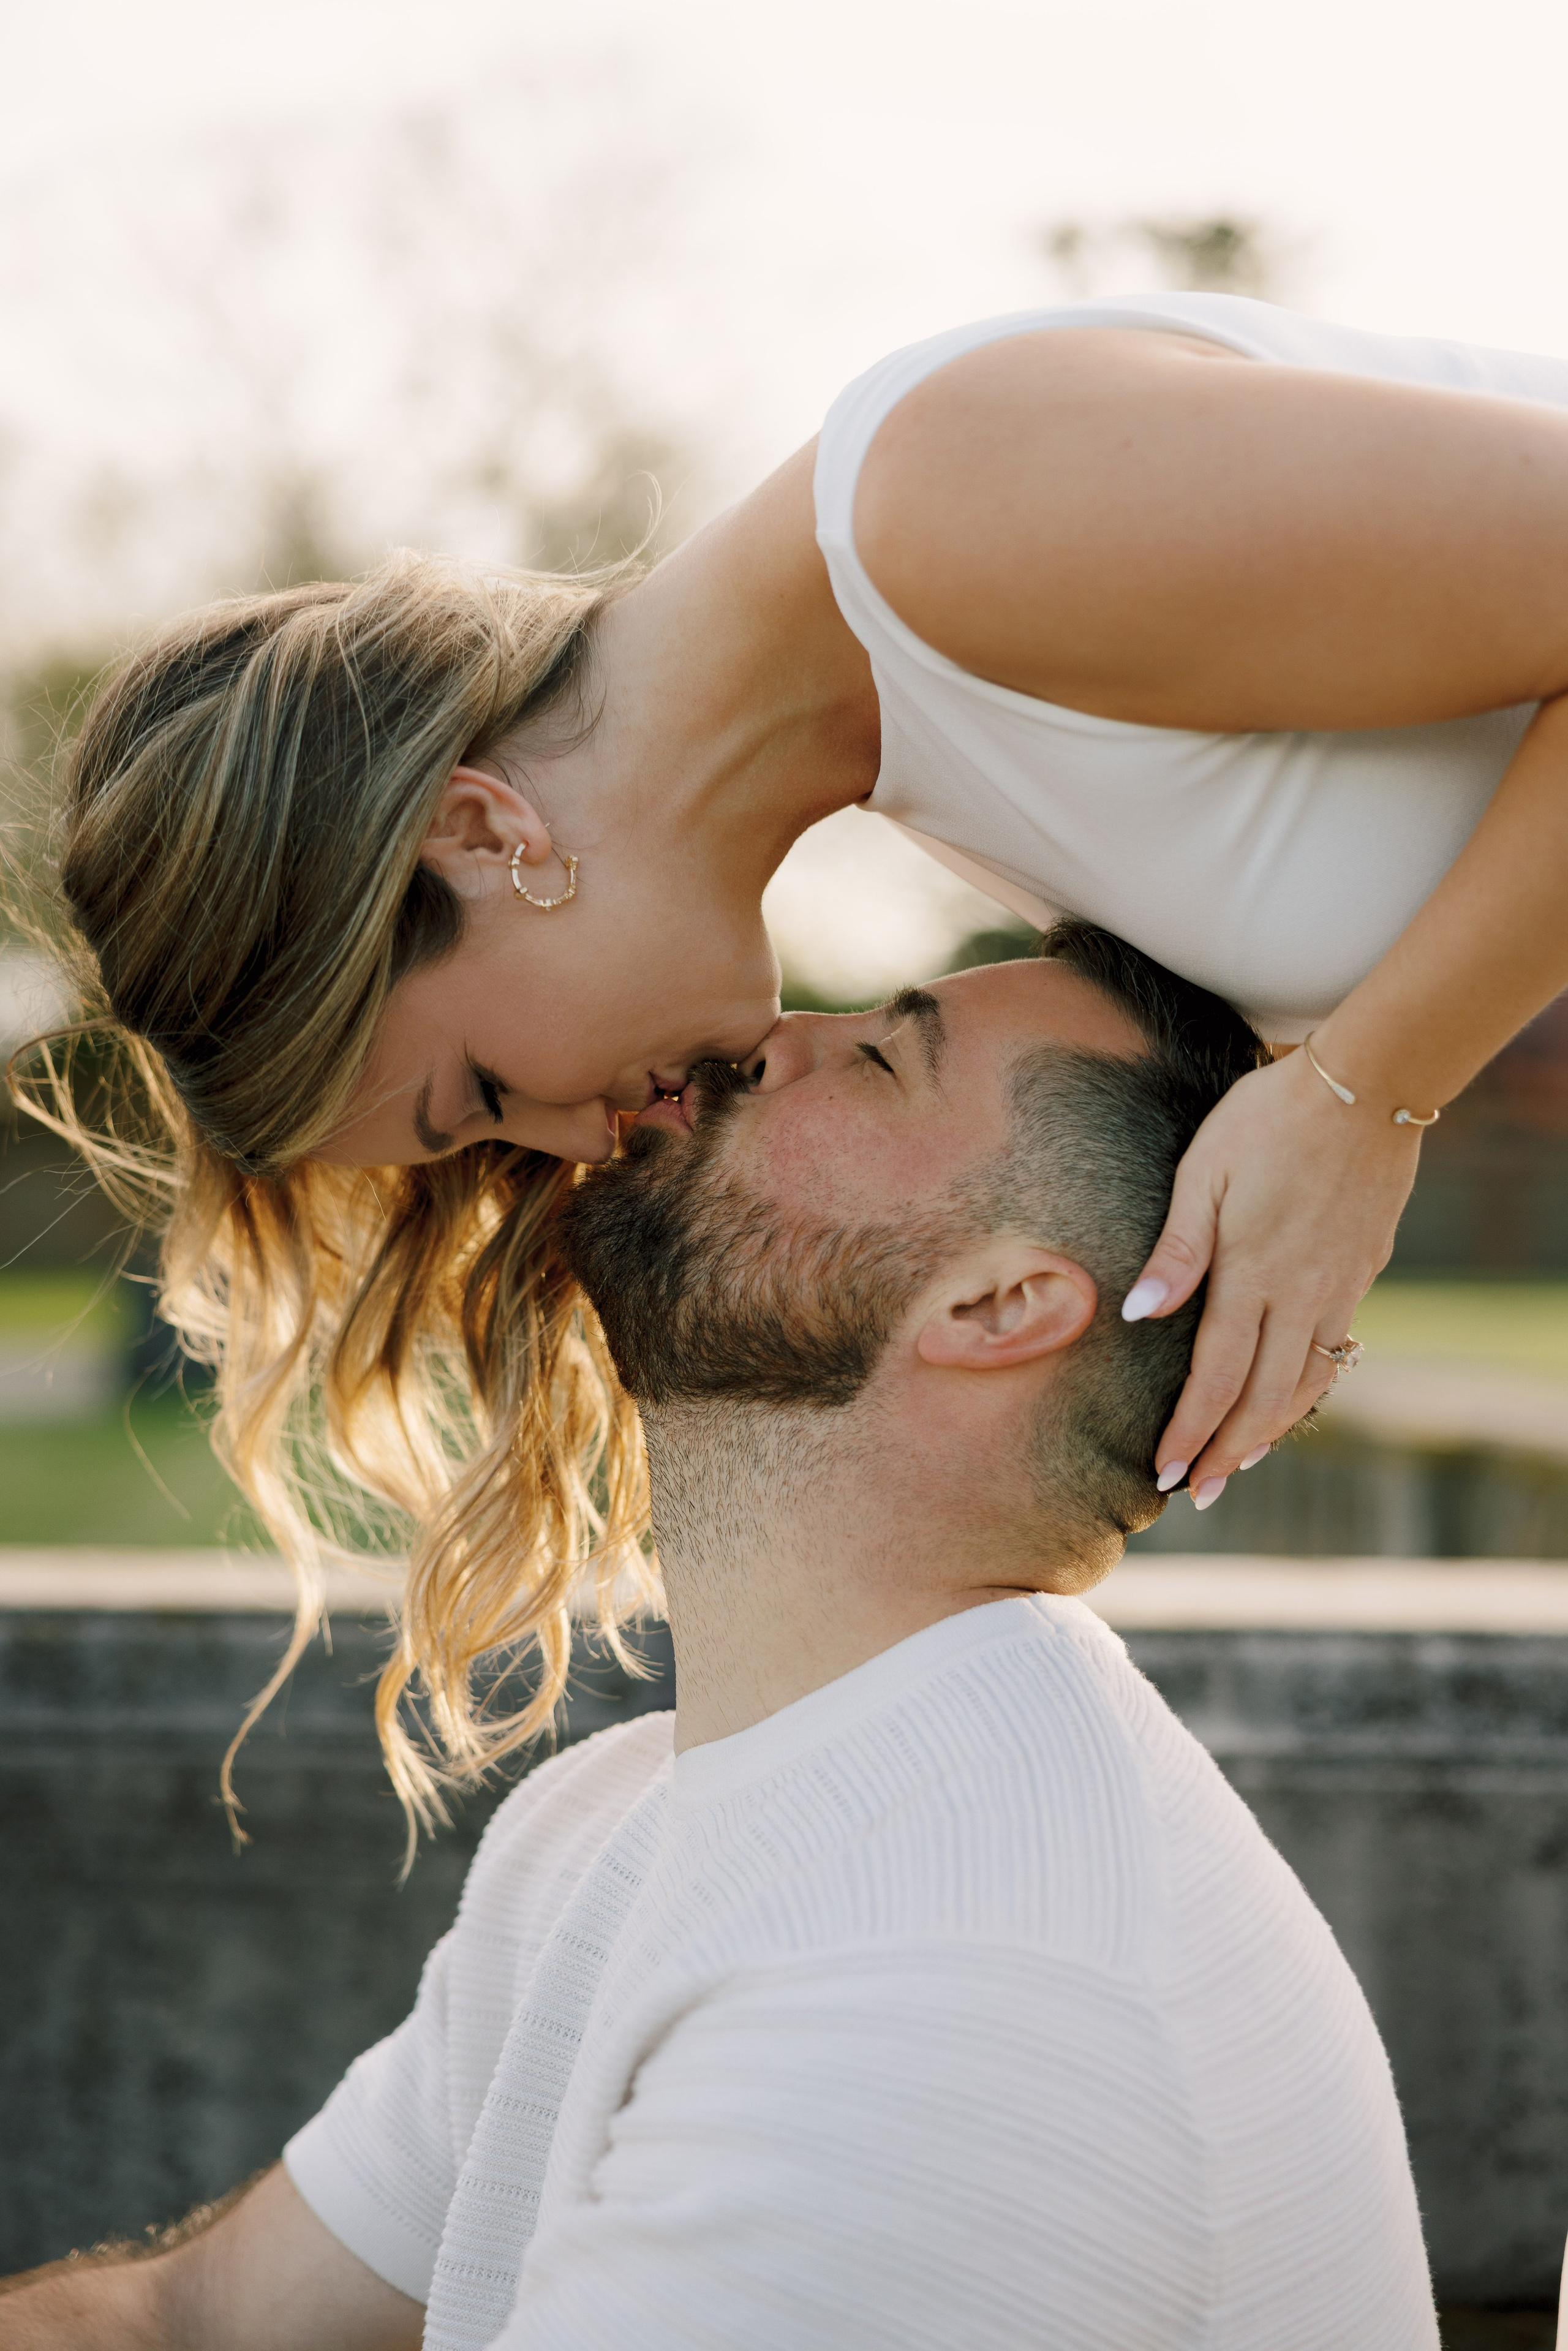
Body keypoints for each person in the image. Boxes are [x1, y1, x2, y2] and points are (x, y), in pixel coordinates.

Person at [18, 289, 1568, 1798]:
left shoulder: (948, 504)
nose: (575, 1141)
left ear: (479, 832)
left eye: (483, 1093)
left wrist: (1370, 1096)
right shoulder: (940, 761)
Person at [1, 924, 1439, 2349]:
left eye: (877, 1054)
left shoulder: (955, 2000)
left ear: (996, 1304)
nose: (761, 1031)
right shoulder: (620, 1818)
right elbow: (188, 2312)